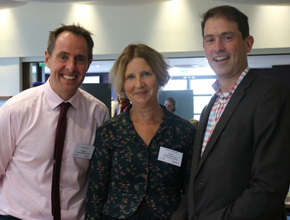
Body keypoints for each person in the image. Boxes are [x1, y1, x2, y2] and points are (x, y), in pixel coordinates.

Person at [171, 5, 290, 220]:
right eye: (210, 39)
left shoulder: (270, 95)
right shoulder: (211, 104)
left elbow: (269, 187)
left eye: (227, 37)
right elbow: (198, 182)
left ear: (248, 43)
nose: (218, 47)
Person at [0, 24, 110, 220]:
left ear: (89, 63)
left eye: (80, 59)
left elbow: (98, 176)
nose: (71, 67)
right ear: (47, 58)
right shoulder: (15, 110)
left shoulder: (98, 114)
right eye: (63, 56)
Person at [85, 43, 196, 220]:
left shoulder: (183, 131)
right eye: (130, 77)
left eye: (146, 74)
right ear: (123, 83)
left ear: (159, 76)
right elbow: (96, 191)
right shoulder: (110, 131)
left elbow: (192, 189)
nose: (139, 84)